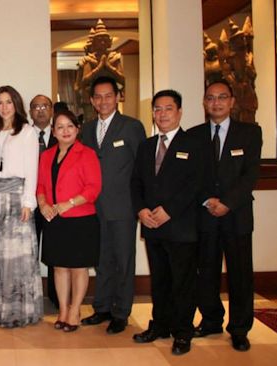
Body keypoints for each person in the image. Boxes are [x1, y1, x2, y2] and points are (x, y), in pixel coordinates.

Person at [189, 80, 262, 351]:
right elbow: (191, 177)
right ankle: (210, 320)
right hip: (205, 215)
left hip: (237, 215)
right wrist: (209, 200)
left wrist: (228, 203)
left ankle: (240, 328)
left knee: (240, 274)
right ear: (204, 102)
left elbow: (250, 174)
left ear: (232, 101)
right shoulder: (194, 136)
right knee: (205, 271)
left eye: (222, 97)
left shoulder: (250, 133)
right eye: (210, 98)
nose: (216, 103)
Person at [130, 90, 202, 355]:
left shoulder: (192, 144)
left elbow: (195, 184)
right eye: (157, 109)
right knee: (159, 280)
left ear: (179, 112)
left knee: (182, 282)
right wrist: (140, 210)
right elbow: (135, 182)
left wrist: (169, 210)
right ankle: (160, 325)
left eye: (168, 109)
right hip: (151, 226)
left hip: (180, 226)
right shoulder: (147, 145)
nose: (162, 114)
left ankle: (183, 332)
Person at [80, 76, 146, 334]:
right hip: (93, 208)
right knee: (101, 260)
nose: (103, 101)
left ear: (118, 96)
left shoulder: (131, 126)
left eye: (109, 95)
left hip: (123, 208)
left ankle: (121, 312)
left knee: (123, 260)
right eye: (98, 97)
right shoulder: (86, 129)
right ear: (92, 101)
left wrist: (142, 204)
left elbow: (142, 168)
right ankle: (102, 307)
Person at [0, 85, 43, 327]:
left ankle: (19, 310)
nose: (4, 107)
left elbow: (32, 171)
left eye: (8, 102)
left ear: (16, 103)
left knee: (16, 257)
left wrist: (28, 201)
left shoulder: (27, 132)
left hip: (17, 199)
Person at [37, 110, 102, 332]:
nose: (65, 131)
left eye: (69, 126)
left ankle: (75, 310)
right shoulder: (46, 156)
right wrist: (43, 203)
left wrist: (70, 203)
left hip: (80, 218)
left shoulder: (87, 154)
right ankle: (63, 310)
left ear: (77, 129)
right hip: (54, 219)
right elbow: (41, 186)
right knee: (59, 267)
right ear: (53, 131)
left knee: (78, 268)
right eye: (60, 127)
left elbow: (93, 188)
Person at [29, 94, 58, 309]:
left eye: (45, 106)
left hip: (54, 204)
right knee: (29, 250)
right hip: (28, 204)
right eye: (36, 107)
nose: (40, 110)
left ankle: (56, 295)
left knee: (55, 250)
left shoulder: (63, 135)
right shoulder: (23, 135)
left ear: (52, 111)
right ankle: (31, 295)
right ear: (30, 111)